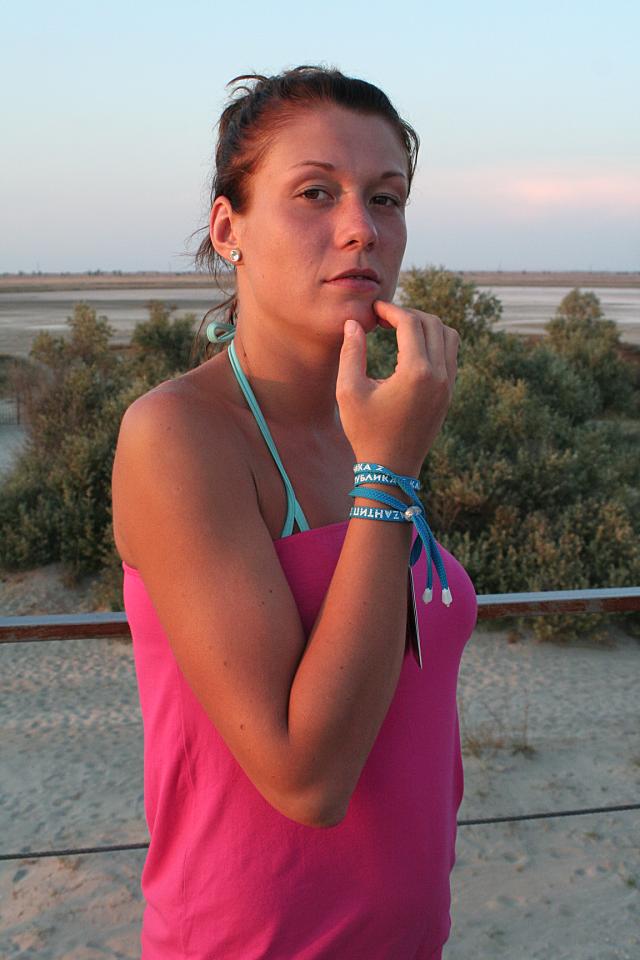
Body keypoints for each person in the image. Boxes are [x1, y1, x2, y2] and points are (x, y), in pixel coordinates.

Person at [112, 65, 477, 960]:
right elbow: (307, 781)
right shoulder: (179, 435)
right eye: (316, 192)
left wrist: (384, 456)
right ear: (228, 229)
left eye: (386, 198)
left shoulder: (369, 425)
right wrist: (389, 475)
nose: (362, 227)